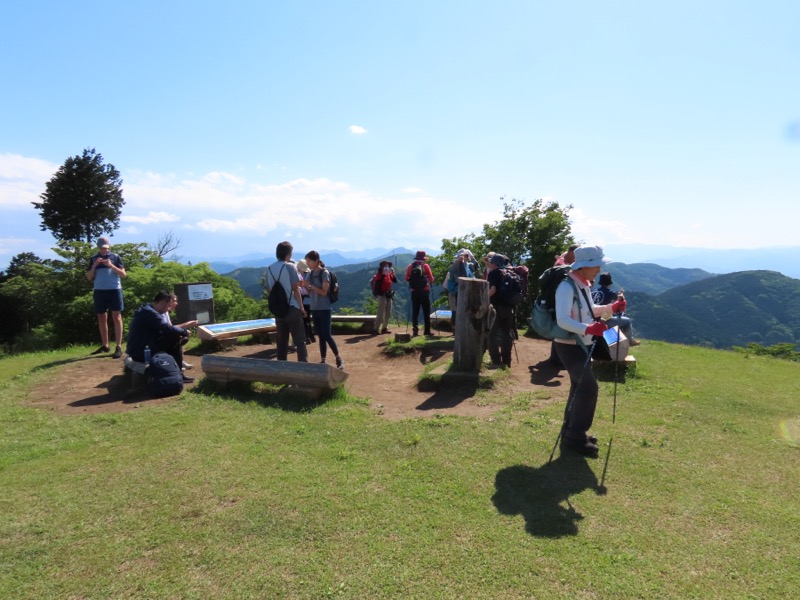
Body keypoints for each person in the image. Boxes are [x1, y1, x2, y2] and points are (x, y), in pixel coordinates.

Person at [554, 246, 627, 456]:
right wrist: (588, 328)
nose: (599, 269)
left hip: (580, 343)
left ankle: (571, 430)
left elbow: (590, 309)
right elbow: (562, 319)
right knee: (588, 388)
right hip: (569, 345)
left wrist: (611, 308)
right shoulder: (566, 287)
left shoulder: (582, 284)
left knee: (579, 387)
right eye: (596, 265)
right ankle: (575, 437)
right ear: (584, 266)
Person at [126, 290, 195, 383]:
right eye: (168, 306)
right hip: (141, 352)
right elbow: (166, 328)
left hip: (139, 348)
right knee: (174, 337)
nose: (168, 309)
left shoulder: (147, 309)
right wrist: (184, 331)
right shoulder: (150, 313)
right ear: (162, 303)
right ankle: (179, 374)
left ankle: (177, 370)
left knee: (173, 339)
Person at [265, 242, 308, 362]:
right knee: (300, 341)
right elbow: (295, 289)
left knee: (281, 342)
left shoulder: (269, 269)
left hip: (278, 310)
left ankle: (281, 371)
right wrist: (302, 307)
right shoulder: (290, 267)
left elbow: (269, 290)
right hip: (292, 308)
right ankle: (304, 369)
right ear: (288, 254)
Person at [86, 236, 127, 358]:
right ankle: (105, 345)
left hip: (115, 290)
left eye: (106, 248)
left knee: (117, 316)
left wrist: (111, 266)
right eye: (102, 248)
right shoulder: (93, 258)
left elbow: (123, 274)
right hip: (99, 290)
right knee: (101, 316)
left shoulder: (115, 257)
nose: (104, 250)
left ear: (109, 247)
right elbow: (89, 277)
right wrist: (94, 266)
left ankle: (118, 346)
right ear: (98, 247)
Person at [303, 251, 344, 369]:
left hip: (325, 308)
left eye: (309, 261)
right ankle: (323, 360)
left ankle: (338, 358)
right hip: (314, 308)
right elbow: (310, 293)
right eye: (306, 262)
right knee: (320, 335)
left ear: (316, 261)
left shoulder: (324, 273)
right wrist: (305, 286)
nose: (308, 264)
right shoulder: (310, 274)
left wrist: (310, 286)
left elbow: (323, 292)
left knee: (326, 334)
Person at [486, 253, 516, 369]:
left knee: (491, 334)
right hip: (509, 308)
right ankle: (507, 361)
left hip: (495, 308)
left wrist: (484, 299)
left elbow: (492, 290)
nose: (489, 264)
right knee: (507, 334)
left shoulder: (493, 274)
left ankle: (496, 361)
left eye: (490, 262)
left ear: (494, 264)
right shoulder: (510, 273)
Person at [592, 272, 640, 346]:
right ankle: (629, 341)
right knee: (627, 321)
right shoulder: (611, 293)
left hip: (592, 320)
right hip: (604, 320)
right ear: (609, 283)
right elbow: (615, 307)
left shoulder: (594, 292)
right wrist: (621, 296)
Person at [163, 293, 199, 370]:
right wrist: (186, 325)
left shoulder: (166, 312)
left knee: (182, 338)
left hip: (164, 336)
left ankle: (179, 361)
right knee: (176, 338)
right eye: (175, 301)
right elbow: (168, 328)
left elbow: (170, 328)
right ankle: (177, 364)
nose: (177, 303)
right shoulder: (163, 312)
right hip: (158, 340)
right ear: (169, 302)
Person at [404, 250, 435, 336]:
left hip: (414, 291)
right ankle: (427, 331)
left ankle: (415, 330)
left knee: (415, 311)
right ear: (424, 258)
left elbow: (406, 278)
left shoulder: (410, 266)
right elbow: (431, 279)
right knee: (426, 311)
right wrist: (429, 279)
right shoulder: (425, 266)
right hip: (424, 291)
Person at [445, 248, 478, 329]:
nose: (463, 257)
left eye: (465, 256)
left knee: (467, 311)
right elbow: (452, 269)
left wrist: (472, 257)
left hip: (468, 291)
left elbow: (477, 267)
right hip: (455, 292)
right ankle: (455, 329)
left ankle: (465, 328)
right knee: (455, 311)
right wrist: (458, 261)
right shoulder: (454, 266)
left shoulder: (469, 266)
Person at [371, 260, 397, 334]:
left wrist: (393, 273)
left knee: (388, 312)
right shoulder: (379, 274)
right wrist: (383, 273)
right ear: (382, 267)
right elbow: (378, 279)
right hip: (381, 294)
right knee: (381, 312)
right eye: (385, 266)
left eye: (388, 266)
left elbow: (394, 280)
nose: (387, 267)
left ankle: (384, 328)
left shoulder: (388, 274)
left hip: (388, 294)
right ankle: (376, 329)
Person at [296, 259, 316, 345]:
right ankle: (311, 336)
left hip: (305, 300)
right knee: (307, 319)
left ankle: (307, 337)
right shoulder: (309, 275)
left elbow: (303, 289)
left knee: (304, 320)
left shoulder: (302, 277)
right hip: (311, 300)